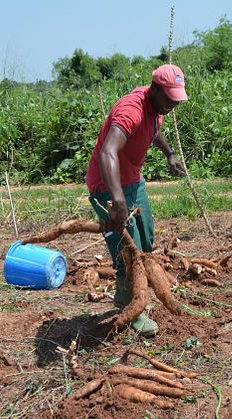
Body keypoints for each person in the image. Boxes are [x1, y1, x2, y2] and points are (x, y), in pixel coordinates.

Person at [85, 64, 188, 336]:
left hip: (133, 181)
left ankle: (127, 295)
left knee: (147, 239)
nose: (172, 105)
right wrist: (117, 202)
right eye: (169, 98)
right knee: (128, 249)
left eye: (176, 100)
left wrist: (169, 154)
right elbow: (108, 152)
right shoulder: (131, 110)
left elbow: (153, 131)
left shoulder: (157, 108)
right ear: (154, 89)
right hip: (109, 185)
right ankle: (133, 309)